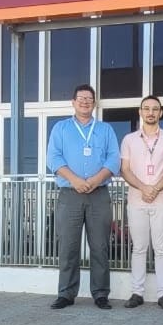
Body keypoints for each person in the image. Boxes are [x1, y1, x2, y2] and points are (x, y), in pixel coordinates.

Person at [46, 84, 120, 310]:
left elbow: (114, 159)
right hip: (70, 194)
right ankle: (66, 293)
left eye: (89, 98)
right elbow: (53, 158)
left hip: (99, 194)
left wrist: (95, 180)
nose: (85, 101)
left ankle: (101, 294)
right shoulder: (61, 128)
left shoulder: (105, 130)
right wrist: (75, 180)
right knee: (68, 246)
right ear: (73, 102)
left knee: (100, 246)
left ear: (94, 103)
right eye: (81, 98)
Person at [120, 96, 163, 311]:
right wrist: (144, 188)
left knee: (161, 248)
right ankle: (137, 293)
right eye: (146, 109)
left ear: (160, 113)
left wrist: (155, 188)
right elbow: (125, 169)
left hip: (162, 200)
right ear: (140, 112)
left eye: (155, 109)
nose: (150, 113)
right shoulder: (129, 139)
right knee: (138, 248)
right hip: (137, 201)